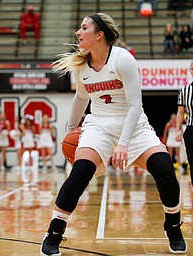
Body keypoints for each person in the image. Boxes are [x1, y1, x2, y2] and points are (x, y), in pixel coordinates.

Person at [40, 13, 186, 256]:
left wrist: (123, 144)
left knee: (164, 169)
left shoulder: (123, 59)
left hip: (134, 124)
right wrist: (70, 130)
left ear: (100, 35)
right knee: (81, 171)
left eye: (84, 28)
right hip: (98, 125)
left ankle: (173, 226)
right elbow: (81, 97)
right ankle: (54, 232)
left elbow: (134, 106)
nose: (78, 32)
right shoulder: (80, 65)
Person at [176, 61, 193, 184]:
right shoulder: (185, 90)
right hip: (191, 129)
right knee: (192, 161)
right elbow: (180, 113)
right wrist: (178, 130)